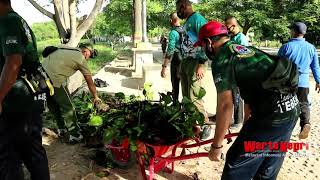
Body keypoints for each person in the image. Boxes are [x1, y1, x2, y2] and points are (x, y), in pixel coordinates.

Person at [195, 21, 300, 179]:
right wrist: (247, 125)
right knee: (267, 169)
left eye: (202, 45)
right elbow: (252, 90)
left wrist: (216, 146)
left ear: (209, 42)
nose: (203, 50)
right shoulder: (246, 50)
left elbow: (225, 105)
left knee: (236, 164)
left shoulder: (222, 58)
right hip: (291, 111)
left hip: (270, 117)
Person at [0, 0, 50, 179]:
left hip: (17, 98)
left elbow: (13, 62)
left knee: (10, 154)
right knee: (31, 152)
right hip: (29, 94)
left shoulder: (7, 20)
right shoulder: (18, 20)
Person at [42, 43, 101, 143]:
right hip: (55, 79)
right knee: (68, 107)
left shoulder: (66, 47)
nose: (87, 59)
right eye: (89, 56)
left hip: (41, 77)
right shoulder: (80, 58)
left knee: (53, 105)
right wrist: (96, 97)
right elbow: (89, 81)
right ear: (86, 52)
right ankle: (75, 135)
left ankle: (62, 129)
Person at [176, 0, 211, 140]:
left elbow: (206, 41)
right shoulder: (187, 22)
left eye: (178, 8)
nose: (178, 12)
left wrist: (202, 63)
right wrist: (181, 64)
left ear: (184, 6)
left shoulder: (198, 19)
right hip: (186, 62)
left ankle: (203, 128)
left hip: (197, 62)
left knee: (195, 95)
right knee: (186, 96)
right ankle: (192, 127)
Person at [278, 22, 320, 139]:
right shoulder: (311, 48)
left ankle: (285, 130)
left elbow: (277, 66)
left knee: (285, 105)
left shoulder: (286, 47)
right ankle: (305, 123)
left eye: (291, 30)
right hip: (303, 83)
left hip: (287, 82)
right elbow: (315, 67)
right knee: (303, 104)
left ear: (293, 32)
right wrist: (318, 81)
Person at [225, 16, 249, 128]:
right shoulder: (231, 37)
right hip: (231, 70)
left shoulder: (241, 39)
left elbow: (243, 56)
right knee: (230, 95)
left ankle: (238, 121)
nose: (226, 29)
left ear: (233, 26)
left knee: (237, 95)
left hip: (239, 71)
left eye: (227, 27)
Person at [161, 12, 182, 104]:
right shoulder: (186, 30)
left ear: (171, 20)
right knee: (186, 87)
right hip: (187, 61)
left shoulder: (173, 33)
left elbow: (170, 50)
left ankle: (175, 104)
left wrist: (164, 67)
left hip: (177, 61)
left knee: (175, 84)